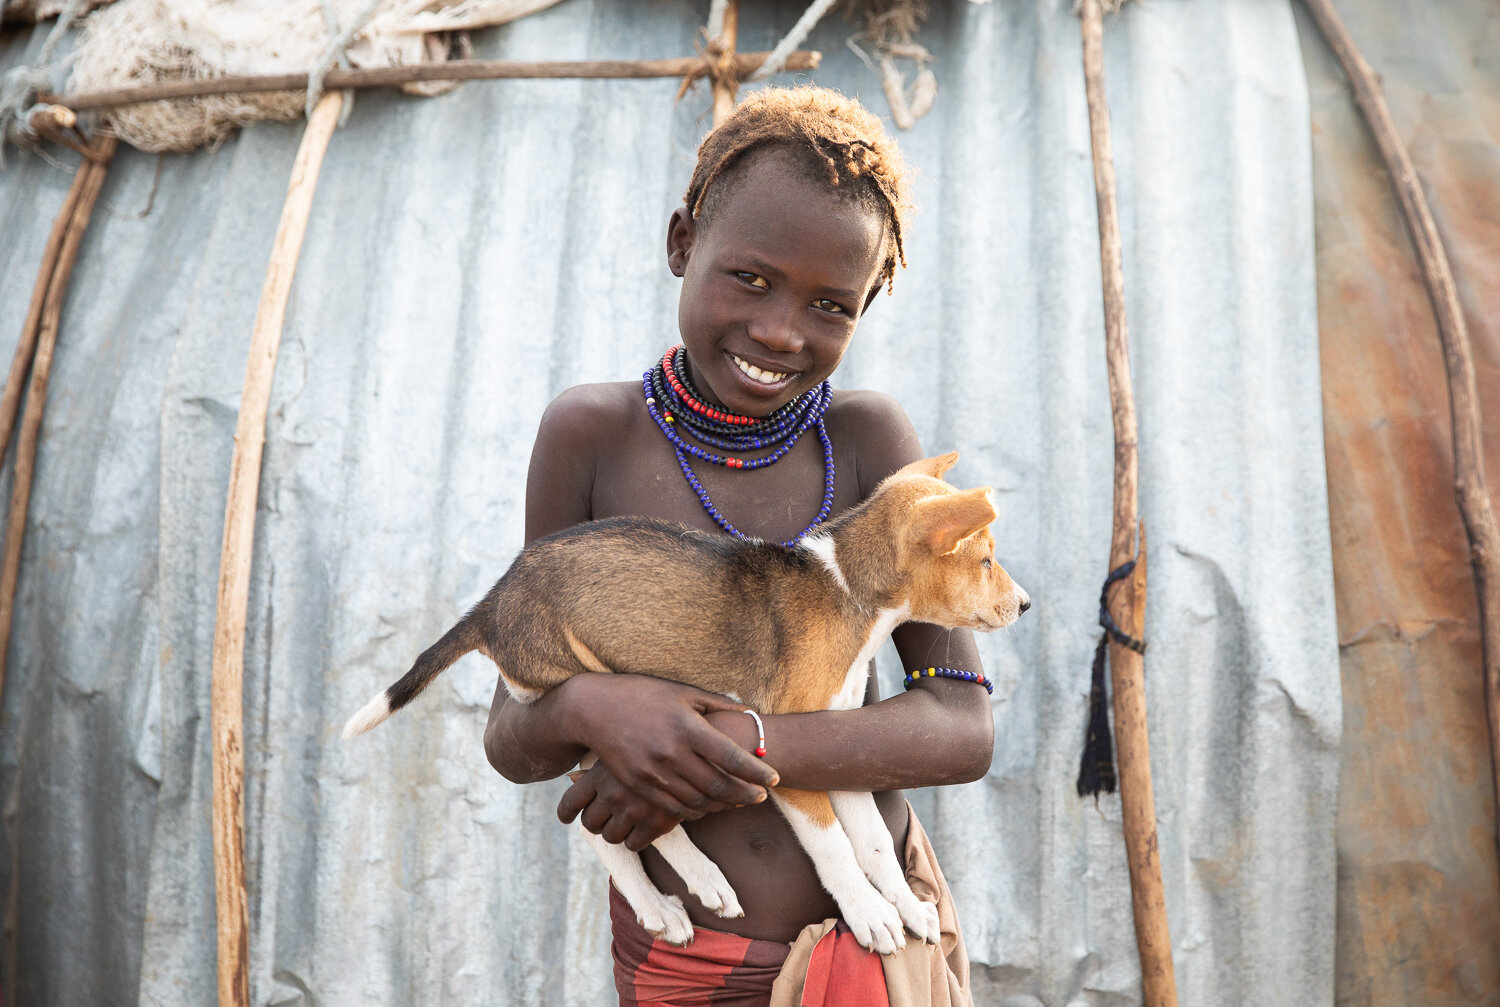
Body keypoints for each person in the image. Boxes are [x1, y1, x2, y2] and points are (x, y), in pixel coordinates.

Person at [485, 86, 990, 1005]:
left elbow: (959, 725)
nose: (779, 329)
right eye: (750, 278)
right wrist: (594, 711)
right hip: (689, 961)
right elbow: (514, 733)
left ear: (870, 300)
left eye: (831, 303)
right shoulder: (592, 437)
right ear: (683, 244)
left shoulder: (871, 445)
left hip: (881, 939)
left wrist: (727, 746)